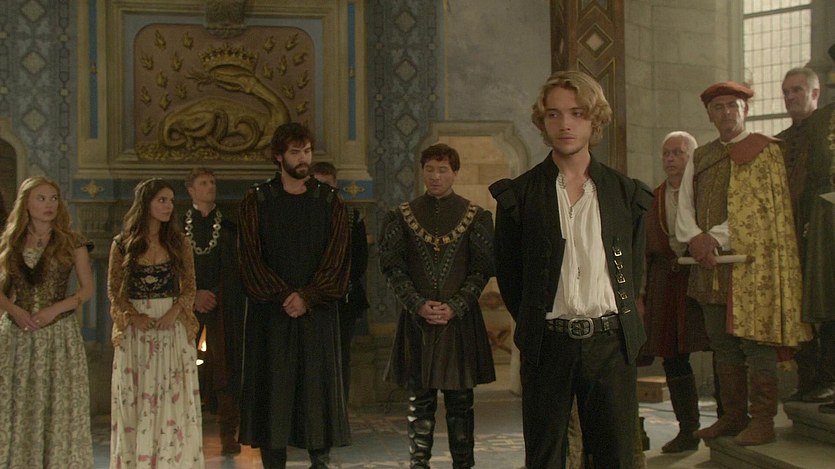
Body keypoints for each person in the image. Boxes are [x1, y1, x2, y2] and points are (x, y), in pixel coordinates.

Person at [490, 70, 651, 468]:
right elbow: (510, 276)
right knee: (545, 457)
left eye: (577, 113)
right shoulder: (519, 196)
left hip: (610, 343)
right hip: (548, 344)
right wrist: (538, 320)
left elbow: (634, 269)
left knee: (615, 457)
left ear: (594, 120)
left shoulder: (625, 192)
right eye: (554, 114)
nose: (565, 124)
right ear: (542, 122)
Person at [675, 81, 812, 446]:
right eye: (718, 107)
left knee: (755, 343)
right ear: (709, 115)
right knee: (722, 344)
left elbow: (760, 211)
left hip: (751, 266)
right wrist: (695, 238)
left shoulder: (765, 151)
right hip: (709, 267)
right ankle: (734, 416)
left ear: (746, 110)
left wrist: (714, 238)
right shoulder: (702, 156)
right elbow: (685, 203)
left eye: (733, 106)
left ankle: (763, 420)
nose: (726, 113)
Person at [237, 122, 351, 468]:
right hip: (271, 316)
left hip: (316, 314)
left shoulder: (329, 201)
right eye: (295, 152)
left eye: (307, 151)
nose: (303, 158)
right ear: (278, 156)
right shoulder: (257, 200)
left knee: (316, 395)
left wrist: (308, 296)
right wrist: (284, 295)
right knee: (272, 398)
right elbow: (250, 258)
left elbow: (338, 259)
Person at [380, 143, 496, 469]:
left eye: (442, 170)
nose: (435, 176)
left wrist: (456, 305)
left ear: (455, 173)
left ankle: (463, 466)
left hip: (460, 322)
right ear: (422, 172)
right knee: (419, 403)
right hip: (418, 322)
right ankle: (419, 465)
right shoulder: (401, 216)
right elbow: (393, 268)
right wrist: (417, 304)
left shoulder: (476, 216)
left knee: (461, 404)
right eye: (430, 169)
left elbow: (482, 269)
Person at [108, 178, 204, 468]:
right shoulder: (122, 244)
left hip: (171, 327)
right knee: (137, 399)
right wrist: (132, 317)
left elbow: (190, 286)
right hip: (136, 329)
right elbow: (114, 290)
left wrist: (174, 312)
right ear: (146, 203)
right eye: (162, 200)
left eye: (171, 201)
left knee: (171, 398)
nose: (168, 206)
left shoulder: (179, 242)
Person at [0, 176, 94, 468]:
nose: (49, 204)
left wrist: (55, 310)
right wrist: (14, 311)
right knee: (20, 402)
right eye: (41, 198)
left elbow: (87, 290)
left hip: (58, 335)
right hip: (19, 334)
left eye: (53, 198)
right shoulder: (11, 241)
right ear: (26, 204)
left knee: (57, 402)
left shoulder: (71, 241)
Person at [640, 132, 710, 453]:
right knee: (672, 356)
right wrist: (641, 296)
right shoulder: (653, 198)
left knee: (718, 347)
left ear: (692, 157)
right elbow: (643, 250)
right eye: (666, 153)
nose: (670, 158)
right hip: (665, 282)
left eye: (678, 153)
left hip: (701, 279)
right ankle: (688, 430)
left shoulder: (705, 193)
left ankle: (728, 421)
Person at [777, 67, 835, 407]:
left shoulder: (828, 129)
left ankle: (829, 379)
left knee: (827, 303)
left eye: (797, 90)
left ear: (815, 93)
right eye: (786, 92)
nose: (790, 97)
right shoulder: (779, 141)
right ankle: (808, 379)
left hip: (824, 231)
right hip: (791, 237)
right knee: (798, 307)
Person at [184, 167, 245, 455]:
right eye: (203, 183)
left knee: (225, 366)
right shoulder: (177, 227)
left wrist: (215, 294)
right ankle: (182, 432)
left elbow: (235, 269)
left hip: (223, 306)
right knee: (182, 365)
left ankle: (228, 433)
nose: (210, 187)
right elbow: (176, 268)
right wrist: (194, 295)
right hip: (187, 305)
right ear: (191, 190)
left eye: (212, 182)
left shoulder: (229, 228)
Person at [311, 161, 370, 402]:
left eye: (327, 184)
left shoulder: (352, 217)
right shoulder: (303, 217)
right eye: (318, 185)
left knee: (340, 356)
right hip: (311, 300)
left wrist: (338, 285)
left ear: (335, 184)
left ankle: (339, 409)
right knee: (312, 358)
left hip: (344, 299)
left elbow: (360, 259)